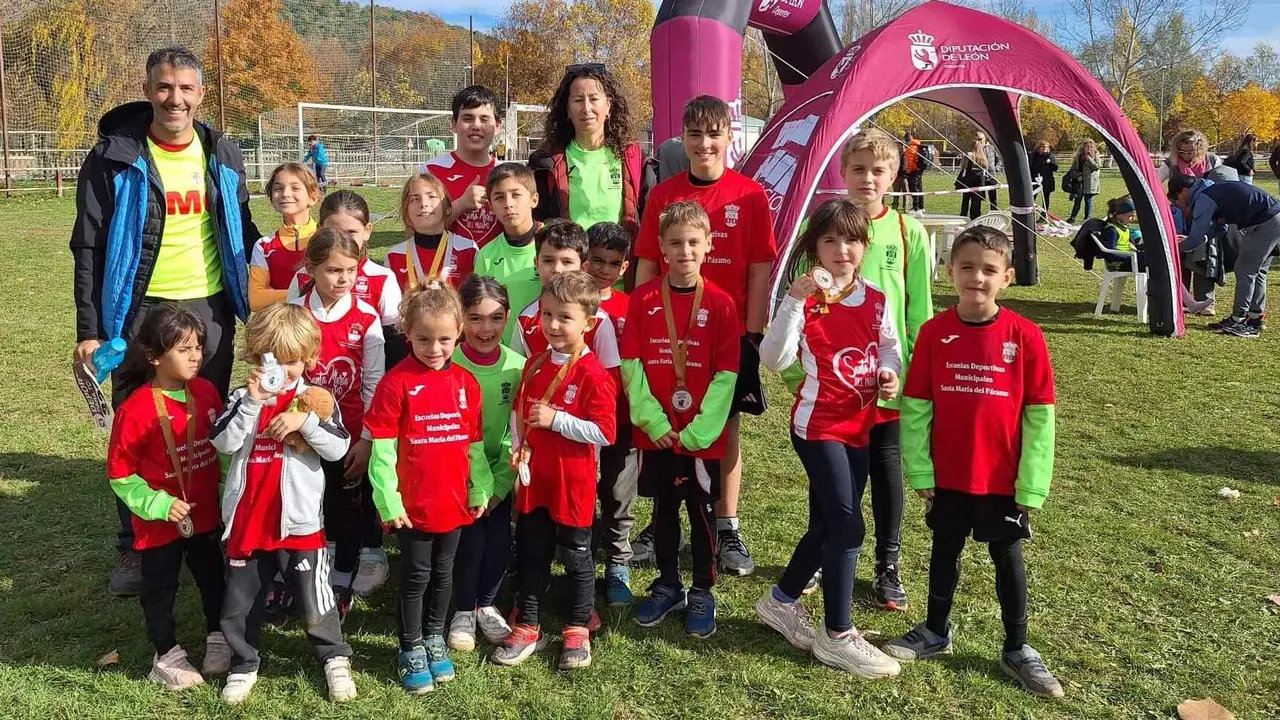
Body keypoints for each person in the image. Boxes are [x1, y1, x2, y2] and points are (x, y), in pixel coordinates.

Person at [71, 46, 260, 598]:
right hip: (138, 309)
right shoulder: (113, 155)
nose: (174, 98)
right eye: (164, 87)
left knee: (205, 422)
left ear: (201, 95)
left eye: (186, 89)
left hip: (210, 308)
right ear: (148, 88)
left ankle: (203, 530)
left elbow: (241, 228)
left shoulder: (222, 149)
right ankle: (134, 542)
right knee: (138, 426)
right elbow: (89, 245)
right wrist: (90, 327)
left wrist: (268, 287)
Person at [883, 226, 1064, 700]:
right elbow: (917, 408)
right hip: (948, 477)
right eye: (967, 268)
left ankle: (1018, 647)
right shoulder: (933, 333)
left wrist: (1032, 485)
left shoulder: (1025, 336)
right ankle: (935, 630)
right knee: (944, 551)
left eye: (988, 270)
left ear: (1007, 276)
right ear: (950, 272)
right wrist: (921, 471)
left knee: (1007, 557)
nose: (976, 278)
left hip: (1003, 480)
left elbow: (1040, 417)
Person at [783, 129, 932, 610]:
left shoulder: (910, 232)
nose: (868, 178)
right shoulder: (820, 225)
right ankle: (823, 555)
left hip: (887, 381)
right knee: (830, 479)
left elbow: (917, 312)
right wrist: (800, 378)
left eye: (879, 170)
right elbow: (795, 310)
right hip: (830, 386)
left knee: (887, 472)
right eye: (858, 168)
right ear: (842, 172)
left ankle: (887, 564)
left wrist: (911, 378)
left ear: (894, 175)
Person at [755, 199, 903, 678]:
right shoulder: (806, 298)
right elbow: (774, 360)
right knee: (847, 522)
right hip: (817, 427)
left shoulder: (877, 297)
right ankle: (838, 634)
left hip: (859, 425)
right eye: (831, 240)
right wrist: (794, 302)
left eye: (853, 240)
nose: (843, 249)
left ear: (865, 245)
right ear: (815, 246)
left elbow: (889, 347)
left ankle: (780, 601)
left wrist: (888, 372)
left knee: (826, 526)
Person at [634, 95, 778, 576]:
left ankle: (726, 524)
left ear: (729, 137)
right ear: (683, 138)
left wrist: (753, 334)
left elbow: (759, 268)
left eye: (714, 134)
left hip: (727, 333)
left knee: (724, 424)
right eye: (694, 134)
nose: (704, 144)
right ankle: (660, 522)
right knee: (662, 418)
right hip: (666, 331)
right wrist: (640, 321)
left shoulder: (749, 195)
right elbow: (648, 264)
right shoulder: (664, 195)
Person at [211, 303, 356, 705]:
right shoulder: (243, 396)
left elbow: (338, 448)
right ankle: (244, 662)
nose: (281, 369)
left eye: (292, 361)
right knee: (241, 600)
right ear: (254, 358)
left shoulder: (314, 400)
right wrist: (253, 403)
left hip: (300, 522)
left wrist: (304, 423)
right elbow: (223, 442)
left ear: (309, 359)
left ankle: (333, 656)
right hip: (248, 520)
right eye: (268, 359)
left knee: (314, 595)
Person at [365, 282, 489, 694]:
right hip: (413, 506)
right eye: (422, 339)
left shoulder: (467, 385)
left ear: (458, 335)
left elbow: (474, 445)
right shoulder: (395, 384)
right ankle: (410, 646)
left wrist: (479, 489)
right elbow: (382, 452)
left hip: (453, 503)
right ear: (406, 333)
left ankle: (435, 637)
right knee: (416, 577)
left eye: (443, 339)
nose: (433, 348)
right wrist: (388, 500)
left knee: (444, 573)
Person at [492, 272, 617, 670]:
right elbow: (520, 412)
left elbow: (605, 433)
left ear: (589, 322)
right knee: (531, 552)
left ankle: (578, 627)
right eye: (547, 315)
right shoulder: (534, 363)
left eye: (564, 317)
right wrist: (517, 445)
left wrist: (557, 419)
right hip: (535, 482)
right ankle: (528, 625)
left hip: (572, 483)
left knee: (578, 558)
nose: (553, 325)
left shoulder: (594, 374)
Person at [625, 202, 739, 638]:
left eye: (694, 242)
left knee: (702, 510)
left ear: (708, 245)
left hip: (698, 438)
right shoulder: (644, 298)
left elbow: (727, 374)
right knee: (664, 509)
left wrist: (699, 430)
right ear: (662, 248)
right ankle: (669, 583)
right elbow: (632, 365)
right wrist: (655, 423)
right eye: (676, 243)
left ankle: (703, 589)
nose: (685, 250)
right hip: (659, 432)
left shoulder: (722, 305)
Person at [107, 304, 228, 690]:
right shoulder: (137, 410)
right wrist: (159, 505)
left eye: (198, 347)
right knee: (160, 587)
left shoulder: (207, 392)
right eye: (183, 349)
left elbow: (224, 446)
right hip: (159, 524)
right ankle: (166, 654)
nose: (195, 356)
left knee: (213, 578)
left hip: (205, 513)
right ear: (155, 356)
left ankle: (218, 636)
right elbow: (120, 474)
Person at [291, 229, 386, 617]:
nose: (343, 278)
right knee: (307, 504)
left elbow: (374, 384)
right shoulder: (295, 312)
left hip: (349, 438)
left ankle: (343, 577)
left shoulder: (366, 317)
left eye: (351, 269)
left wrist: (364, 441)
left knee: (348, 508)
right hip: (301, 435)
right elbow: (285, 374)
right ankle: (303, 572)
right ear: (310, 268)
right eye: (333, 270)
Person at [447, 276, 526, 652]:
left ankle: (486, 604)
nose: (486, 328)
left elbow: (517, 432)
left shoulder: (518, 367)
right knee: (469, 541)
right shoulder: (447, 363)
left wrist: (496, 487)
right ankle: (463, 609)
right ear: (461, 319)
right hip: (455, 477)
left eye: (496, 318)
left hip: (497, 477)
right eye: (475, 318)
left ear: (508, 317)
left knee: (497, 539)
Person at [529, 64, 646, 236]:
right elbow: (533, 221)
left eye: (594, 99)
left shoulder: (633, 157)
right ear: (567, 109)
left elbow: (649, 217)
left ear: (608, 106)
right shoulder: (545, 163)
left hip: (619, 261)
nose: (586, 108)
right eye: (578, 100)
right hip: (569, 260)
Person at [585, 221, 637, 605]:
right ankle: (581, 558)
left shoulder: (630, 307)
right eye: (596, 260)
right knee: (583, 491)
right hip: (577, 420)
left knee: (619, 492)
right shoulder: (569, 301)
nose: (602, 269)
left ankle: (618, 560)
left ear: (624, 267)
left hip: (621, 417)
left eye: (612, 263)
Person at [1173, 176, 1280, 338]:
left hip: (1264, 222)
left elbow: (1197, 238)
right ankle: (1255, 318)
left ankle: (1238, 320)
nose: (1179, 203)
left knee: (1245, 270)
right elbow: (1220, 230)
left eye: (1176, 198)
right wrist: (1193, 239)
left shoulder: (1204, 199)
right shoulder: (1213, 190)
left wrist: (1174, 248)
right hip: (1273, 217)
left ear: (1185, 191)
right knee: (1258, 271)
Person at [511, 221, 621, 369]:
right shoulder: (525, 320)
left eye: (567, 262)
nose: (557, 269)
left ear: (583, 267)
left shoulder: (598, 321)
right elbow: (518, 374)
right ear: (536, 264)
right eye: (548, 260)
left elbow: (611, 376)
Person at [423, 86, 504, 249]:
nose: (476, 125)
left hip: (494, 272)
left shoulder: (507, 174)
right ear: (454, 124)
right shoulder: (431, 172)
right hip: (446, 272)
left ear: (497, 126)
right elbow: (416, 231)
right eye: (467, 118)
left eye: (484, 119)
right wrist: (460, 205)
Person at [474, 163, 544, 346]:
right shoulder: (487, 255)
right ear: (490, 206)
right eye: (499, 197)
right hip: (506, 355)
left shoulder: (555, 245)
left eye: (516, 194)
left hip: (549, 352)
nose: (508, 204)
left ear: (534, 199)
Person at [386, 173, 478, 290]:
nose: (423, 204)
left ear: (448, 207)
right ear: (406, 212)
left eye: (432, 196)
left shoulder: (468, 249)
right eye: (414, 199)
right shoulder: (394, 256)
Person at [249, 162, 320, 311]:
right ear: (270, 197)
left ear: (313, 197)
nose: (286, 194)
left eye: (295, 188)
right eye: (278, 188)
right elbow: (256, 300)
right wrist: (307, 295)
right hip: (281, 329)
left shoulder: (328, 239)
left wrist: (275, 296)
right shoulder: (264, 246)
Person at [1098, 196, 1145, 272]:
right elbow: (1111, 253)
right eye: (1131, 216)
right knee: (1149, 260)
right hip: (1118, 264)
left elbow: (1135, 246)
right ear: (1120, 215)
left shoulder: (1124, 227)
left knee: (1152, 256)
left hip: (1129, 259)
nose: (1133, 219)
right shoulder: (1112, 230)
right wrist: (1131, 256)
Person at [1066, 139, 1101, 223]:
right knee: (1077, 200)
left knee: (1088, 201)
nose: (1089, 148)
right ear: (1083, 147)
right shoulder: (1079, 156)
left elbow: (1097, 167)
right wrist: (1077, 175)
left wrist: (1089, 159)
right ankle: (1072, 217)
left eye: (1090, 147)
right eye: (1087, 146)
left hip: (1090, 182)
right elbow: (1072, 169)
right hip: (1079, 182)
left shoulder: (1095, 155)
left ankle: (1086, 219)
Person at [958, 139, 993, 220]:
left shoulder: (969, 155)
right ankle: (975, 218)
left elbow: (963, 166)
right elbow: (986, 167)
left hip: (969, 181)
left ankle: (963, 217)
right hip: (979, 181)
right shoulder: (983, 157)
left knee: (965, 200)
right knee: (976, 202)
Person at [1028, 141, 1058, 212]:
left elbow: (1055, 168)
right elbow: (1031, 167)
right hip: (1035, 179)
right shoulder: (1033, 156)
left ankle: (1044, 214)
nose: (1045, 149)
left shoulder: (1050, 156)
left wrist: (1051, 162)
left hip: (1047, 180)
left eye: (1047, 147)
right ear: (1038, 148)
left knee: (1045, 198)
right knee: (1032, 197)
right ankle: (1030, 213)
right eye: (1043, 147)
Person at [903, 131, 926, 212]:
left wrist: (907, 172)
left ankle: (916, 207)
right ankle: (921, 206)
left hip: (913, 171)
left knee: (914, 189)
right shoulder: (918, 146)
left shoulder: (910, 148)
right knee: (920, 188)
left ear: (906, 140)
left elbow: (909, 162)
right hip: (919, 170)